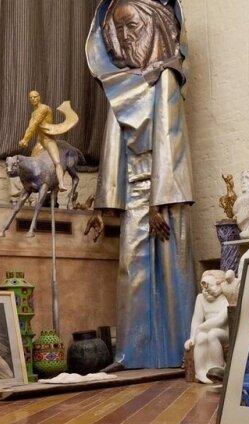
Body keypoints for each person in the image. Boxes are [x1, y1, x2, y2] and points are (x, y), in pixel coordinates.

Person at [86, 0, 196, 369]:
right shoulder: (120, 85)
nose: (126, 36)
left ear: (155, 26)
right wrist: (103, 208)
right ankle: (130, 354)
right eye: (119, 29)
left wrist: (157, 203)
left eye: (133, 25)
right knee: (131, 272)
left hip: (165, 194)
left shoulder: (166, 77)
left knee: (171, 273)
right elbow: (113, 149)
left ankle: (182, 351)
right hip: (135, 194)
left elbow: (170, 139)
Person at [184, 270, 235, 383]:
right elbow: (196, 320)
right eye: (203, 288)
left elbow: (220, 320)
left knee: (213, 333)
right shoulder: (200, 298)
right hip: (206, 331)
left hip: (224, 333)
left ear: (219, 285)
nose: (206, 290)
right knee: (201, 337)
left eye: (209, 286)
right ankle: (200, 372)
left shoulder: (226, 298)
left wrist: (200, 328)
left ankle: (219, 368)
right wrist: (193, 337)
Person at [18, 90, 67, 190]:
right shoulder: (33, 113)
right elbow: (30, 127)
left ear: (39, 97)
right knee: (33, 162)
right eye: (31, 98)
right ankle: (33, 184)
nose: (33, 99)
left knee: (57, 162)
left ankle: (61, 184)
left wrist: (25, 140)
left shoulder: (44, 108)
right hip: (40, 141)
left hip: (48, 139)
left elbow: (34, 124)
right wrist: (24, 140)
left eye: (35, 97)